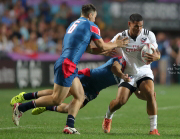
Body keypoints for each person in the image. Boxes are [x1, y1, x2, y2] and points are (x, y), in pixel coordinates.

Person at [12, 4, 129, 134]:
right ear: (90, 15)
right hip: (68, 64)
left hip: (66, 62)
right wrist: (116, 44)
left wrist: (103, 52)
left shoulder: (73, 25)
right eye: (95, 17)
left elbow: (88, 48)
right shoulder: (91, 26)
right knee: (57, 99)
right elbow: (101, 46)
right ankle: (21, 107)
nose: (95, 20)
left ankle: (69, 126)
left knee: (80, 96)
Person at [102, 13, 161, 135]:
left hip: (144, 71)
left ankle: (153, 129)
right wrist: (105, 51)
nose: (139, 29)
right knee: (120, 102)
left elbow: (157, 53)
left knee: (150, 93)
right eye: (136, 26)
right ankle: (108, 117)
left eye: (140, 26)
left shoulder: (149, 35)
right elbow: (108, 47)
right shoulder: (121, 36)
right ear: (129, 24)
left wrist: (157, 57)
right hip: (128, 73)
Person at [11, 57, 129, 114]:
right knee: (59, 94)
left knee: (71, 108)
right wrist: (122, 76)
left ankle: (46, 107)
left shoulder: (134, 73)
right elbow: (115, 68)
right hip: (86, 77)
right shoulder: (121, 60)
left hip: (94, 90)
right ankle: (25, 96)